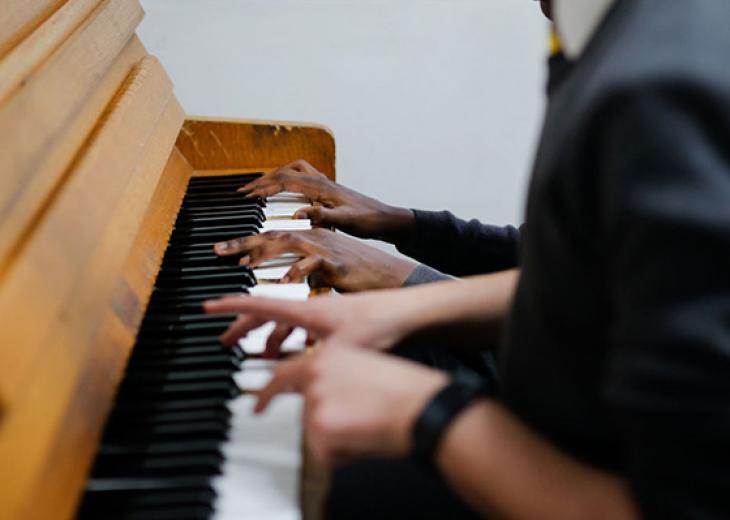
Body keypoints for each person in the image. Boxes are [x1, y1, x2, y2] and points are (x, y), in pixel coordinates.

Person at [207, 0, 730, 517]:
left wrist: (424, 412)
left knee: (288, 470)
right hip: (570, 399)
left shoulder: (663, 85)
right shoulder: (637, 31)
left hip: (580, 466)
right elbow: (597, 271)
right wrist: (408, 289)